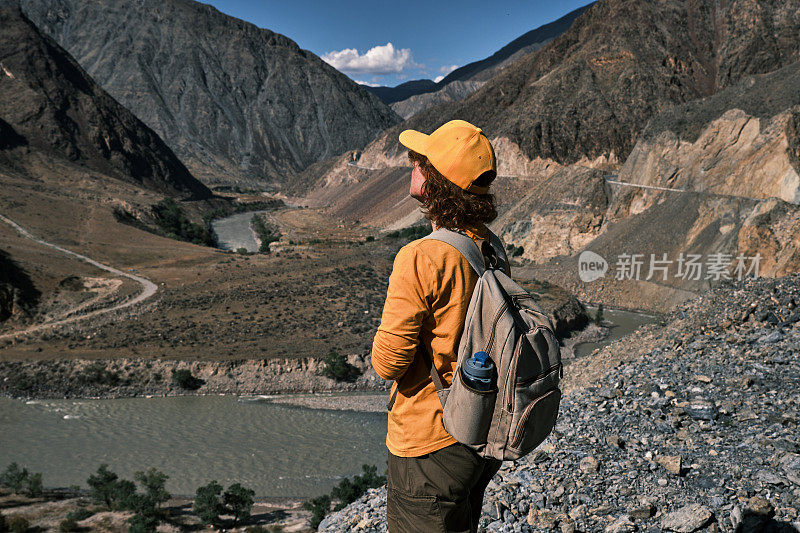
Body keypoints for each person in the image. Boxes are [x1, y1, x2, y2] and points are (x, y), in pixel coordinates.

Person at [371, 120, 508, 533]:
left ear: (434, 179)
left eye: (418, 160)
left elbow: (387, 364)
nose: (411, 165)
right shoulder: (489, 245)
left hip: (430, 442)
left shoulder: (421, 257)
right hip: (478, 430)